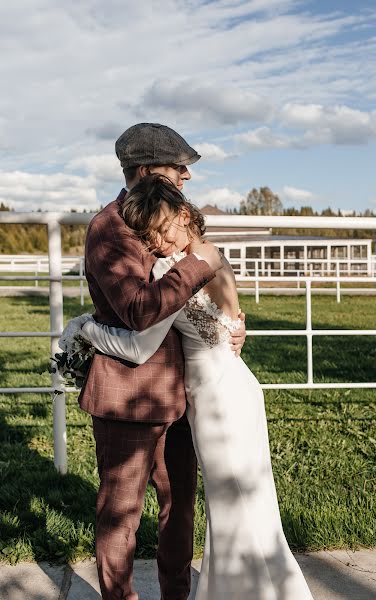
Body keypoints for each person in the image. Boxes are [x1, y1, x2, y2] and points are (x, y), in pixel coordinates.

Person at [81, 175, 313, 599]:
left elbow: (138, 345)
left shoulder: (177, 270)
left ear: (185, 215)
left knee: (232, 508)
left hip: (218, 402)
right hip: (237, 387)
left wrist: (85, 329)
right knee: (248, 505)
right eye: (150, 235)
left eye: (163, 228)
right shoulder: (212, 255)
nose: (159, 242)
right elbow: (234, 320)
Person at [78, 123, 246, 600]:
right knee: (121, 513)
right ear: (147, 170)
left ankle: (177, 595)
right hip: (126, 395)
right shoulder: (109, 228)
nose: (187, 176)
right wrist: (202, 264)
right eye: (180, 167)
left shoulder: (171, 214)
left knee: (180, 506)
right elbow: (138, 310)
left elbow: (206, 282)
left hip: (179, 391)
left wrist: (232, 318)